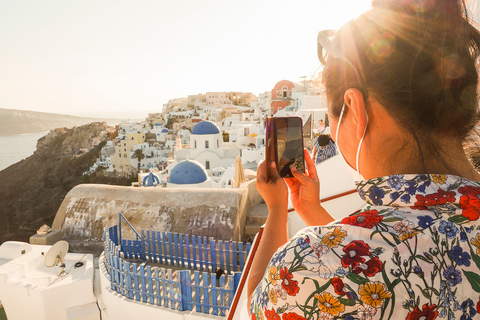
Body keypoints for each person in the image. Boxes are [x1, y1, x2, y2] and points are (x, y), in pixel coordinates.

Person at [248, 0, 480, 319]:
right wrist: (311, 210)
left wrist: (277, 209)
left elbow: (260, 304)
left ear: (355, 108)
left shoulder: (305, 267)